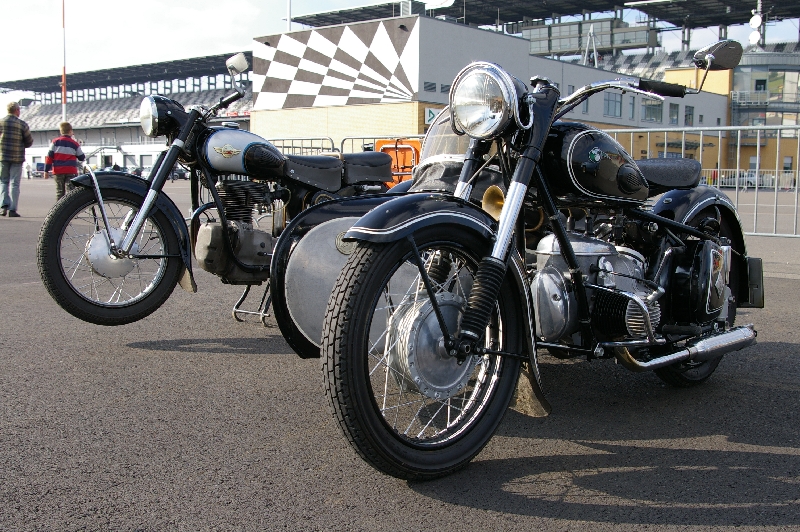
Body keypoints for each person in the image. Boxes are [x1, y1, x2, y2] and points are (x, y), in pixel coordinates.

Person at [0, 101, 34, 217]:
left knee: (3, 181)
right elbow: (29, 141)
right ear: (17, 110)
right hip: (17, 157)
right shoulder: (22, 124)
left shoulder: (1, 122)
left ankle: (3, 206)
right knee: (15, 183)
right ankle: (12, 209)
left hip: (3, 156)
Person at [44, 121, 85, 200]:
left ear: (61, 131)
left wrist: (46, 170)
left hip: (58, 170)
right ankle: (71, 207)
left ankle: (59, 207)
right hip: (70, 170)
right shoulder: (74, 144)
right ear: (70, 131)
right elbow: (81, 157)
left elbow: (49, 157)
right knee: (70, 192)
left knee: (60, 192)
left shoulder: (55, 142)